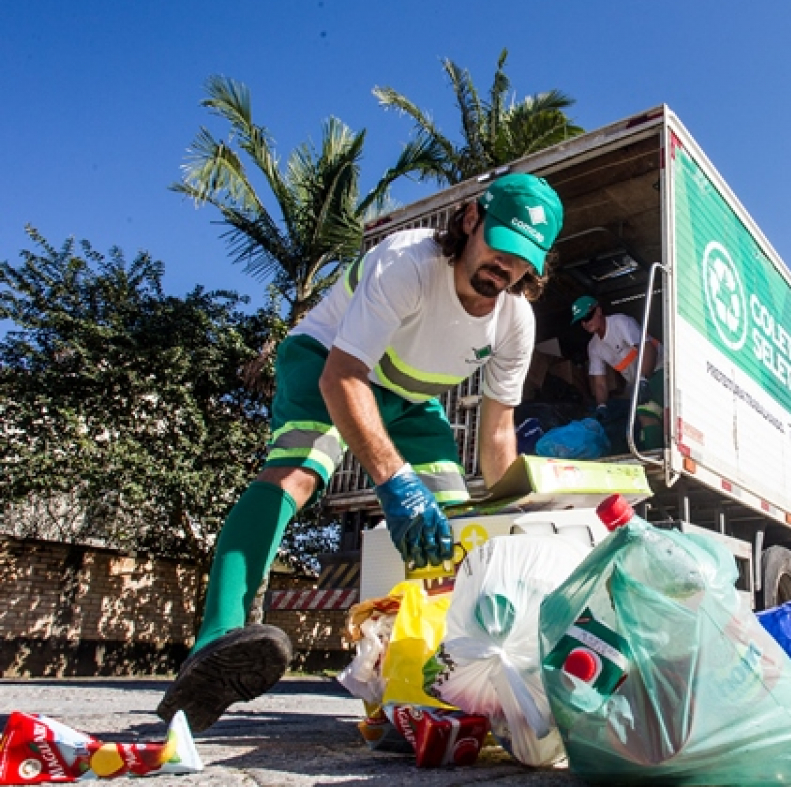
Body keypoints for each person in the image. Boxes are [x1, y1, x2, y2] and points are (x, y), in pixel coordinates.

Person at [157, 173, 563, 731]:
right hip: (327, 360)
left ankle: (435, 674)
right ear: (471, 219)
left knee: (449, 526)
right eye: (502, 246)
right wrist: (393, 481)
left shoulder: (515, 320)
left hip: (411, 397)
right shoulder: (407, 262)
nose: (508, 268)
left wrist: (512, 521)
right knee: (297, 475)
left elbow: (497, 433)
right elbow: (343, 376)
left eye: (523, 261)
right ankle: (216, 640)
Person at [570, 295, 664, 450]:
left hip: (661, 369)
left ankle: (655, 462)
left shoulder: (620, 323)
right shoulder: (594, 347)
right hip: (642, 382)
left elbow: (648, 349)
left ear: (599, 310)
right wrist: (601, 406)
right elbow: (599, 382)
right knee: (640, 420)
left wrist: (643, 379)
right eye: (581, 321)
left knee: (646, 413)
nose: (586, 323)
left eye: (588, 316)